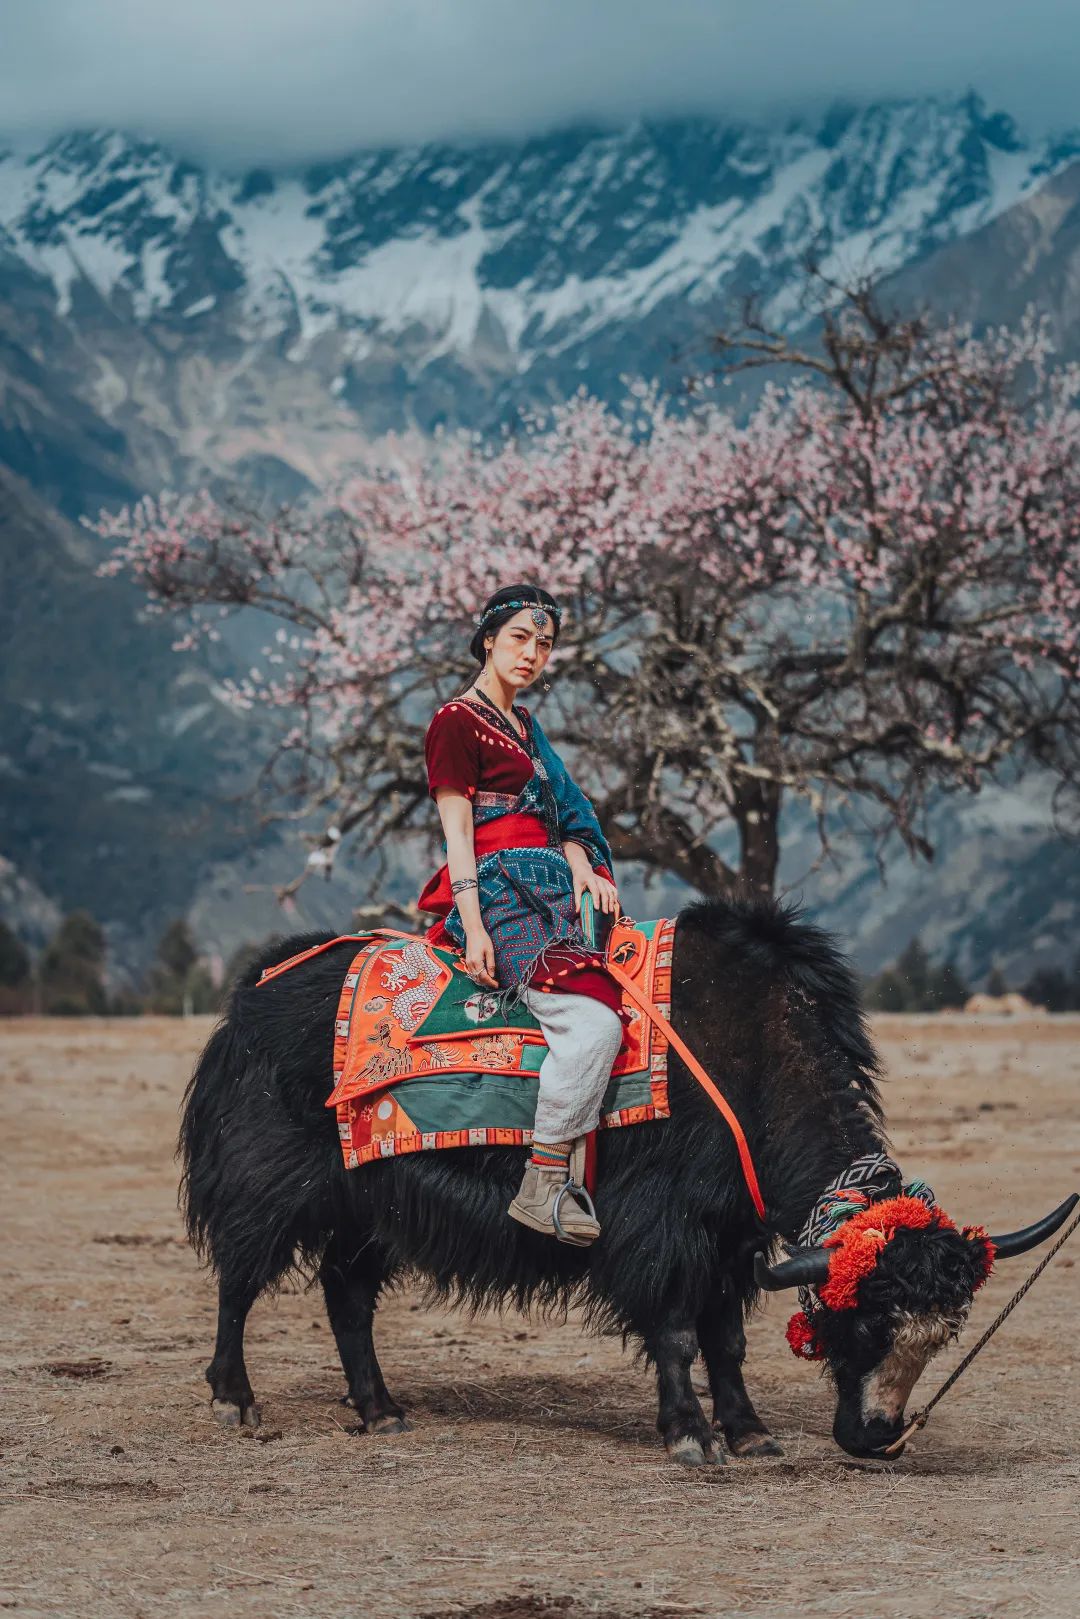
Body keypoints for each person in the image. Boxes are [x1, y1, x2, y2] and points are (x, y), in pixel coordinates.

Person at [418, 584, 627, 1246]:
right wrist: (472, 923)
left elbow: (564, 815)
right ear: (488, 639)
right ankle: (542, 1181)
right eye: (519, 638)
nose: (532, 653)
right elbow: (458, 835)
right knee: (593, 1023)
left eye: (545, 643)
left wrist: (584, 865)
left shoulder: (527, 727)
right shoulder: (454, 719)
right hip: (502, 896)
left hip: (556, 890)